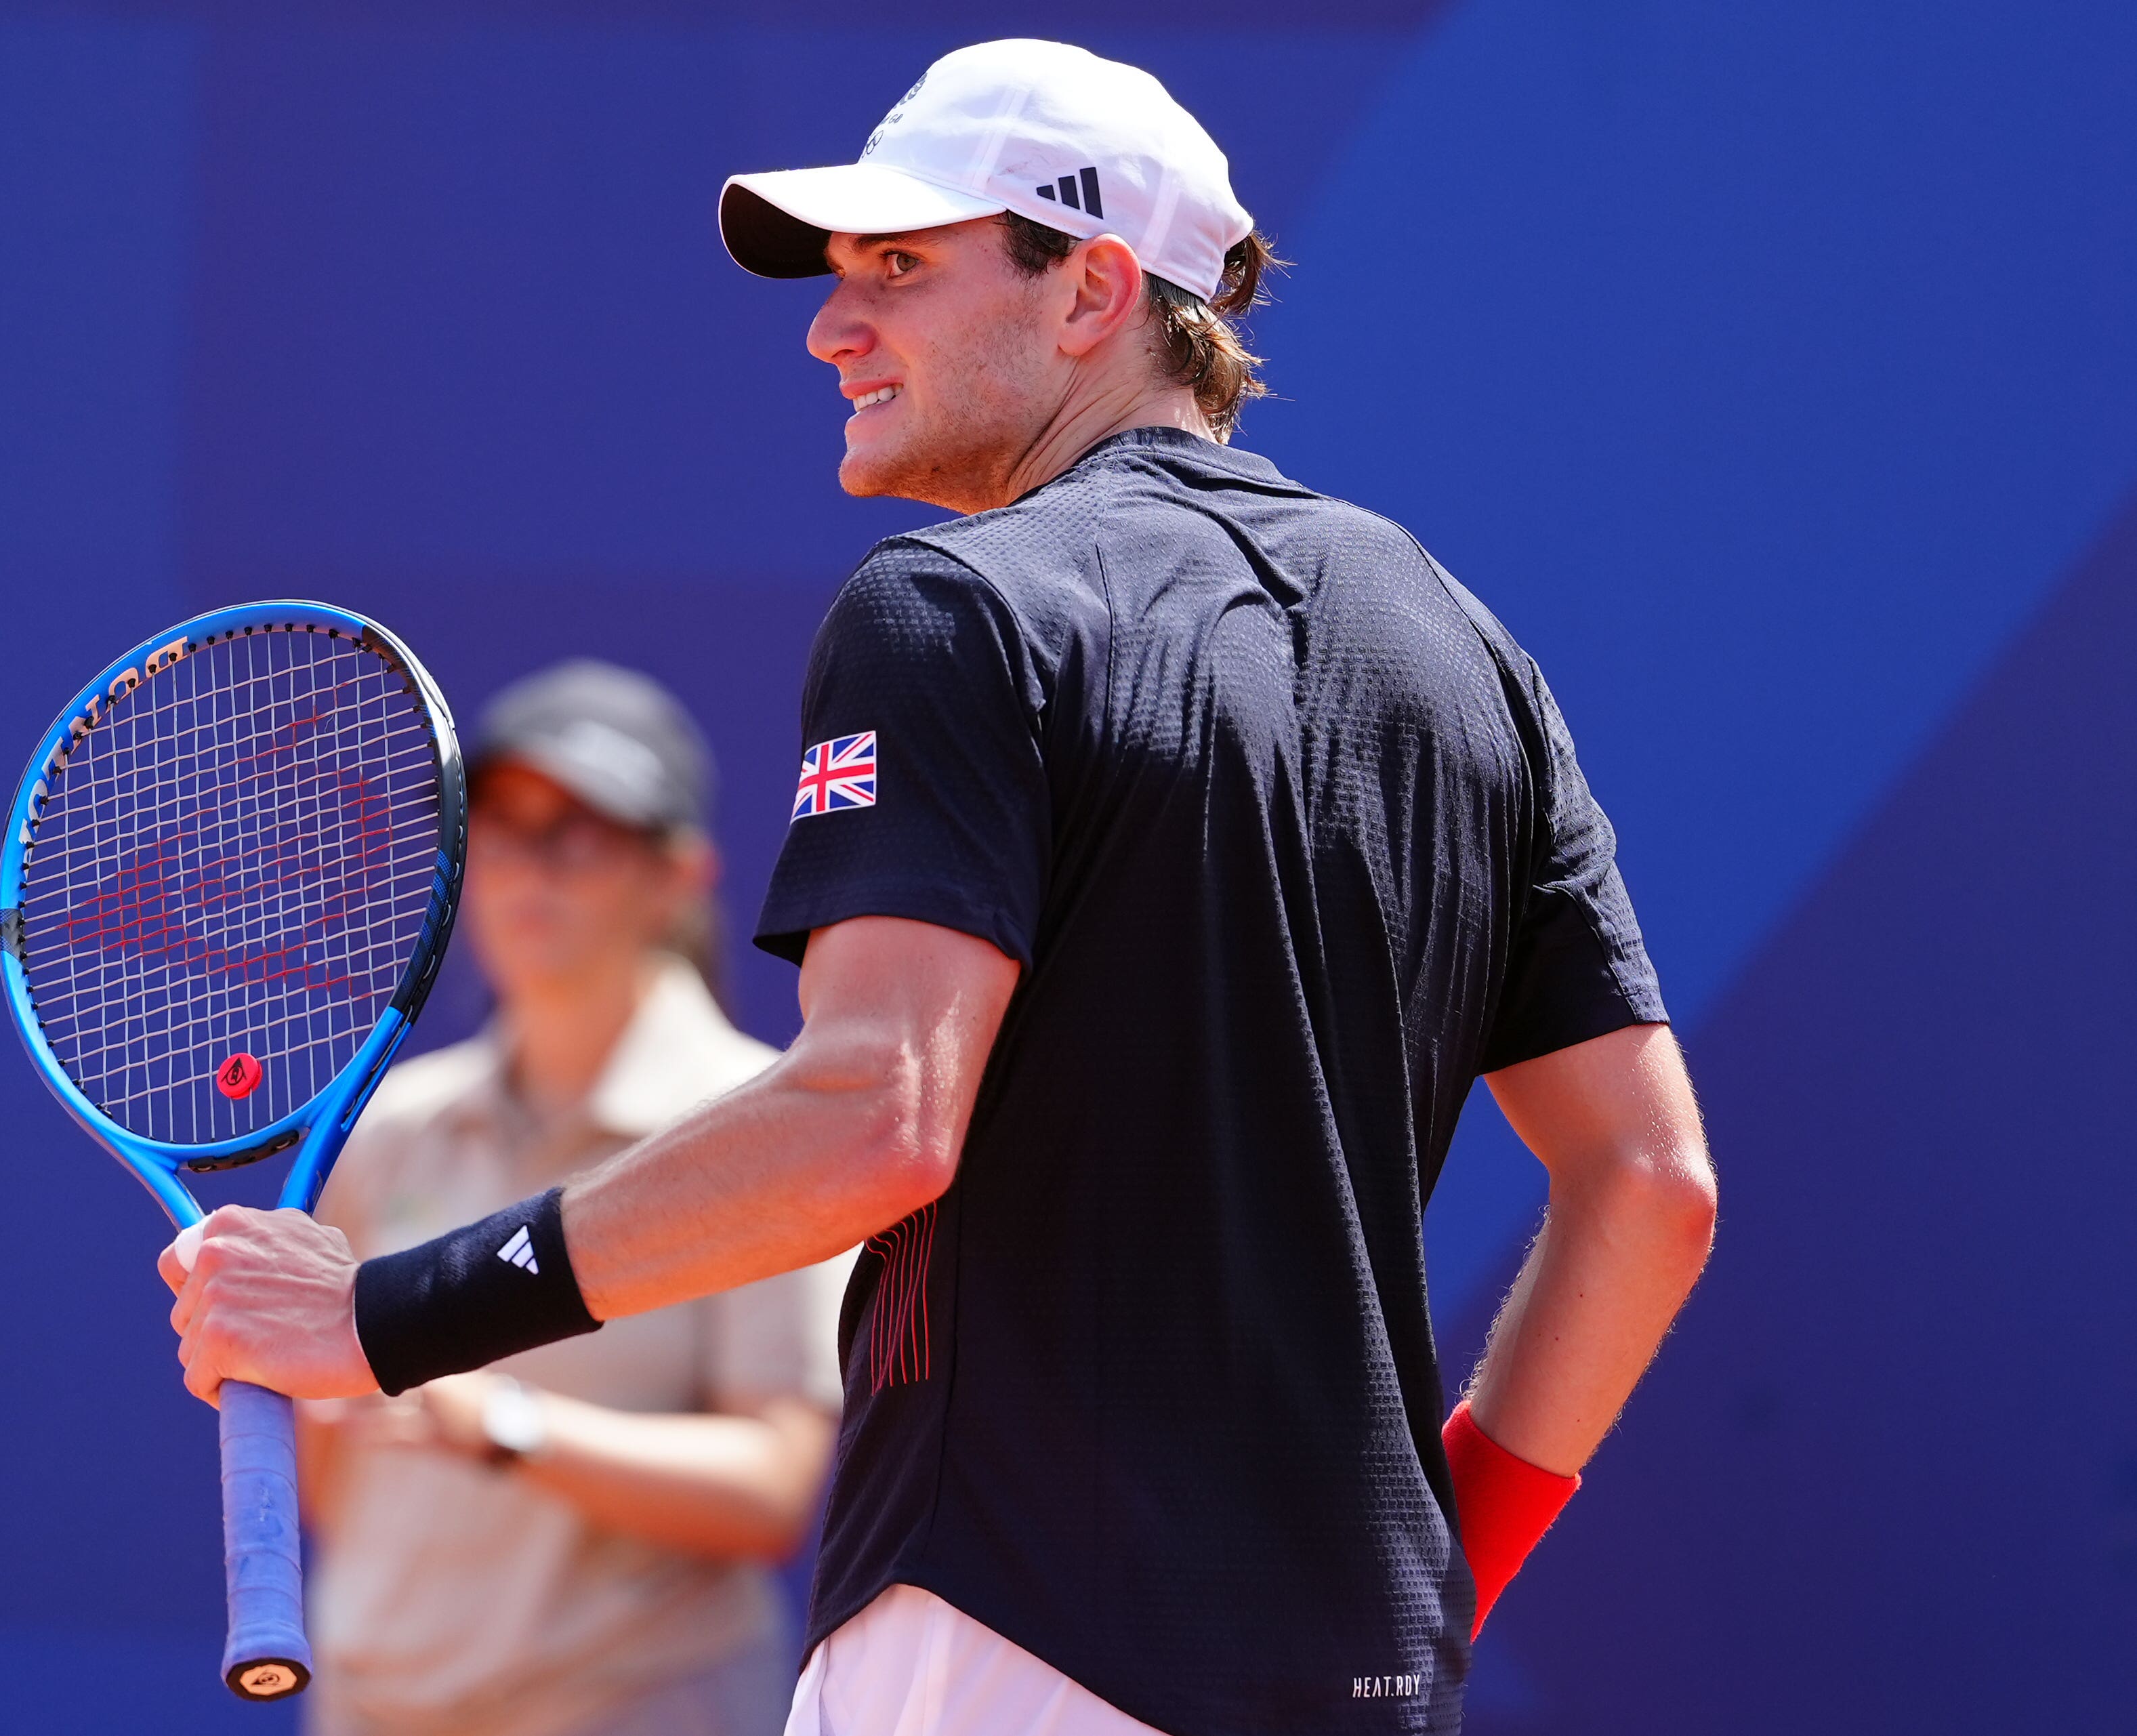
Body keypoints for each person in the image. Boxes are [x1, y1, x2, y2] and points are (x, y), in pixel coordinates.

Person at [164, 39, 1718, 1736]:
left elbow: (871, 1115)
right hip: (1357, 1679)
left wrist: (383, 1317)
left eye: (899, 267)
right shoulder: (1465, 651)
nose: (835, 326)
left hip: (1006, 1647)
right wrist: (1450, 1563)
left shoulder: (951, 607)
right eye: (838, 277)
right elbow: (1648, 1186)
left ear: (1091, 293)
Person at [291, 660, 842, 1736]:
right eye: (500, 831)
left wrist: (501, 1420)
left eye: (576, 833)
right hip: (371, 1700)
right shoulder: (392, 1125)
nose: (527, 873)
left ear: (676, 874)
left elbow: (774, 1486)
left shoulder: (763, 1128)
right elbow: (331, 1465)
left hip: (632, 1704)